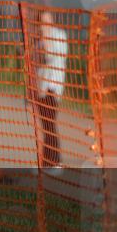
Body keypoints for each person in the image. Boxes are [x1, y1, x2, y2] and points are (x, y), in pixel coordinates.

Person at [34, 11, 67, 168]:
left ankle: (55, 161)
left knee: (50, 125)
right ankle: (47, 161)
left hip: (52, 88)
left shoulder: (59, 35)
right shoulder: (38, 40)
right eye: (42, 22)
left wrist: (45, 36)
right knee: (45, 126)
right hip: (40, 88)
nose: (44, 25)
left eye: (47, 21)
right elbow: (34, 66)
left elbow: (49, 56)